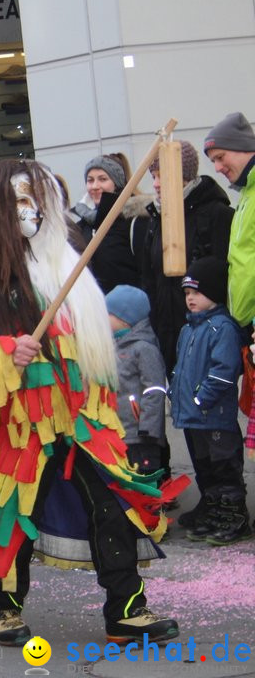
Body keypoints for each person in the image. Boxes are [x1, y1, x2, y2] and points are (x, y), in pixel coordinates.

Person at [0, 159, 178, 647]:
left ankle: (126, 609)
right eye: (18, 199)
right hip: (15, 417)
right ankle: (4, 608)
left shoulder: (67, 259)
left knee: (112, 503)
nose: (28, 210)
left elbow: (94, 343)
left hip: (77, 411)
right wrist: (4, 350)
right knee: (11, 510)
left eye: (36, 199)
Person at [168, 257, 248, 545]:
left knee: (224, 466)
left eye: (196, 293)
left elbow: (224, 372)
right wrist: (176, 393)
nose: (190, 299)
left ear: (213, 293)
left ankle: (233, 514)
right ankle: (213, 508)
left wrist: (202, 400)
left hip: (214, 416)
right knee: (204, 466)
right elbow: (180, 368)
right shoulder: (189, 328)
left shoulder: (222, 328)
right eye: (187, 293)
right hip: (193, 417)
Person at [142, 140, 233, 374]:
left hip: (206, 334)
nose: (156, 184)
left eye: (162, 175)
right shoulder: (156, 220)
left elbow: (226, 274)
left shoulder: (216, 214)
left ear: (183, 175)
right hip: (166, 332)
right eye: (153, 176)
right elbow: (150, 278)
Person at [105, 286, 167, 478]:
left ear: (125, 319)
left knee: (143, 477)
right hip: (119, 430)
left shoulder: (144, 348)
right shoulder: (114, 345)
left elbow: (154, 389)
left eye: (108, 314)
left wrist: (148, 428)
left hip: (139, 435)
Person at [204, 112, 255, 327]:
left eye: (220, 157)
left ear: (242, 147)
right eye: (213, 160)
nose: (217, 168)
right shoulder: (246, 194)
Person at [71, 154, 143, 294]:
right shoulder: (81, 226)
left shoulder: (133, 221)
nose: (95, 186)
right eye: (90, 180)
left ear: (116, 183)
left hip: (126, 309)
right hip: (93, 307)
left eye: (103, 179)